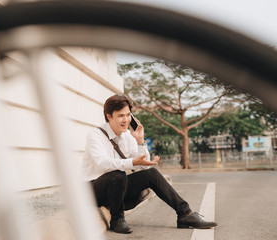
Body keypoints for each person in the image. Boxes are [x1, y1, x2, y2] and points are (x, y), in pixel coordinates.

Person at [81, 94, 217, 234]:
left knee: (151, 174)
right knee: (118, 174)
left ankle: (185, 214)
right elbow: (104, 164)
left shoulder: (128, 136)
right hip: (92, 190)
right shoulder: (95, 135)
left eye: (128, 115)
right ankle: (117, 220)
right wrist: (133, 162)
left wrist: (140, 141)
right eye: (121, 116)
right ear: (109, 117)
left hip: (116, 189)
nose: (126, 120)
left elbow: (144, 166)